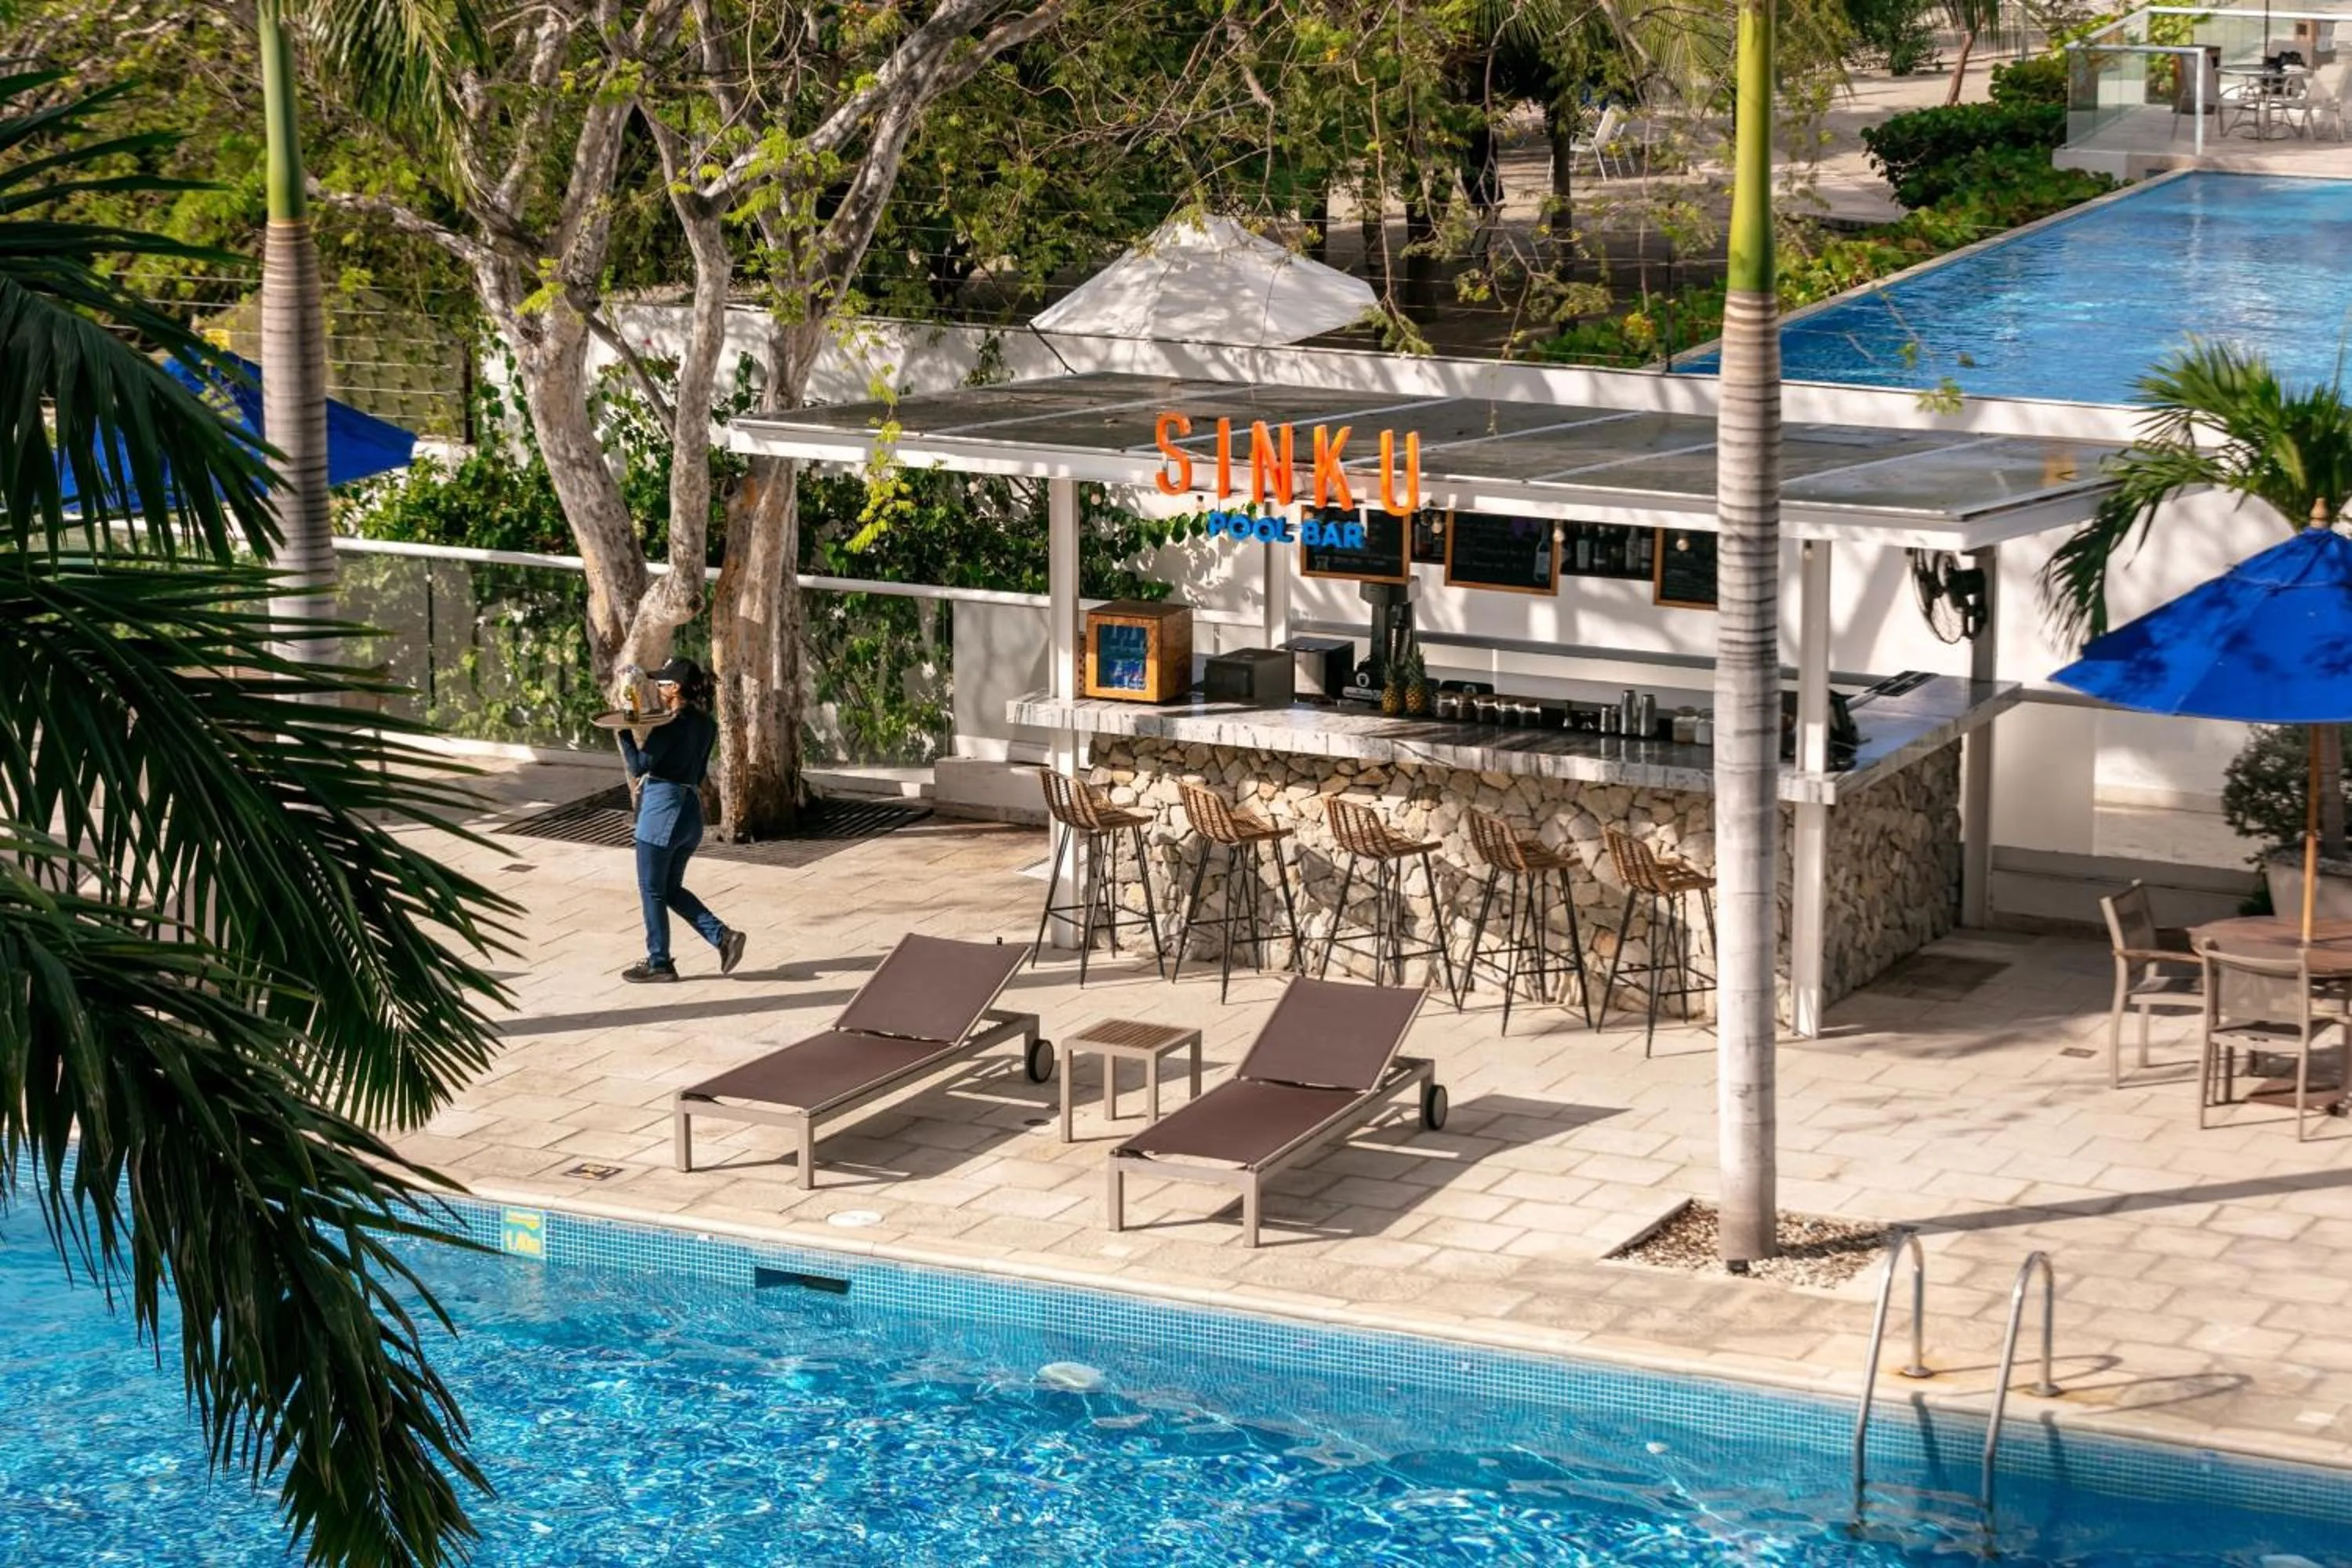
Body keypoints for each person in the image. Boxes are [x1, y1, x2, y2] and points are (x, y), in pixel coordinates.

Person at [616, 657, 746, 982]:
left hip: (662, 812)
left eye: (662, 683)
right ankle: (723, 937)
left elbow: (637, 766)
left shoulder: (669, 726)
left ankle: (659, 962)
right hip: (690, 812)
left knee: (652, 889)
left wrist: (623, 730)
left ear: (675, 688)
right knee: (670, 888)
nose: (658, 688)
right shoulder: (706, 725)